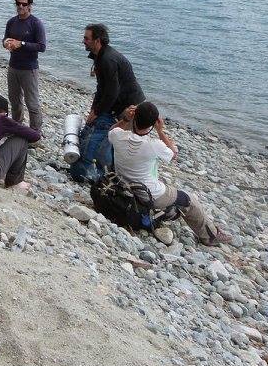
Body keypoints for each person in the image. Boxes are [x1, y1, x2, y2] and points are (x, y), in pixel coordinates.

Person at [111, 102, 231, 246]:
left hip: (123, 185)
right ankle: (211, 236)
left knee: (170, 191)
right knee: (189, 200)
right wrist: (160, 131)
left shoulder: (118, 136)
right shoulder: (154, 145)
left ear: (134, 116)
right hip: (148, 194)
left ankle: (170, 214)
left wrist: (125, 119)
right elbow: (173, 154)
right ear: (154, 123)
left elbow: (112, 130)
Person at [71, 23, 145, 182]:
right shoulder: (99, 56)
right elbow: (101, 88)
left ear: (97, 40)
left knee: (119, 142)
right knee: (109, 137)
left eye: (86, 38)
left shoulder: (107, 59)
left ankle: (117, 176)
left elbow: (112, 92)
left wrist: (98, 112)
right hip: (118, 104)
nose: (83, 41)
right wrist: (94, 110)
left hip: (130, 105)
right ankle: (108, 172)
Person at [2, 0, 46, 131]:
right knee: (14, 101)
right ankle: (17, 127)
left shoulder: (36, 23)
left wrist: (21, 44)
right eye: (18, 3)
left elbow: (42, 46)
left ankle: (35, 132)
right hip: (13, 66)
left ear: (30, 6)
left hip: (29, 69)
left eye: (24, 4)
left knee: (32, 103)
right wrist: (6, 43)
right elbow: (5, 39)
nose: (20, 6)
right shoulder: (11, 22)